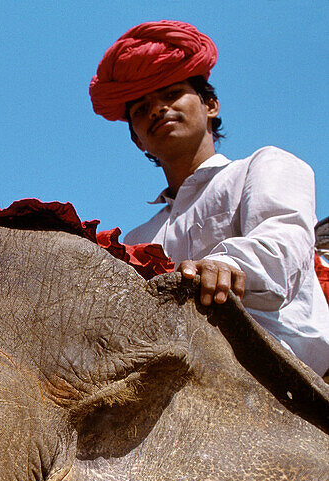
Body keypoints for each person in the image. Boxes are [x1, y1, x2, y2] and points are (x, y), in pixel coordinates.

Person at [90, 20, 329, 376]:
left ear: (211, 104)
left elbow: (284, 244)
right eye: (141, 109)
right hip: (183, 387)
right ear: (138, 141)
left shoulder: (265, 166)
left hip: (287, 379)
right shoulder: (138, 239)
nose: (156, 109)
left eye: (172, 94)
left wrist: (227, 266)